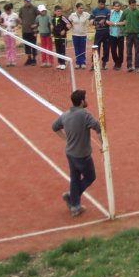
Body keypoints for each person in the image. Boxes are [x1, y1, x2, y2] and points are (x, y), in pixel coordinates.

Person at [52, 89, 103, 217]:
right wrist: (103, 145)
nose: (86, 101)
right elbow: (98, 128)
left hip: (70, 153)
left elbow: (55, 127)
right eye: (85, 98)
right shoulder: (85, 115)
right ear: (81, 102)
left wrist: (66, 139)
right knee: (90, 177)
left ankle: (75, 206)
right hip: (82, 155)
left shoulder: (65, 115)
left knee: (74, 178)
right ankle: (72, 197)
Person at [119, 0, 139, 72]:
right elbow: (120, 22)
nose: (134, 6)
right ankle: (129, 66)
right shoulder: (125, 12)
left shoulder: (138, 12)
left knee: (137, 51)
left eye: (135, 5)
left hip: (137, 35)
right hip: (128, 35)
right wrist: (124, 31)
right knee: (128, 51)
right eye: (132, 5)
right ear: (129, 4)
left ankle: (137, 67)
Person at [90, 0, 112, 71]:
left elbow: (109, 21)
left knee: (106, 48)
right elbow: (90, 22)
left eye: (103, 4)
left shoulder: (108, 11)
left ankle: (104, 63)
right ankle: (94, 63)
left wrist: (105, 21)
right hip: (98, 32)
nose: (102, 5)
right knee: (96, 48)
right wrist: (98, 22)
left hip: (106, 32)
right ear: (98, 3)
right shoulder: (94, 10)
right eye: (101, 4)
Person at [68, 2, 91, 70]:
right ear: (77, 8)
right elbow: (68, 21)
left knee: (82, 49)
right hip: (75, 34)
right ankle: (78, 62)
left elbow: (92, 16)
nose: (82, 9)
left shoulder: (86, 14)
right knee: (77, 49)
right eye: (80, 8)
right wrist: (69, 25)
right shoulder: (72, 15)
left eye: (82, 8)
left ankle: (83, 62)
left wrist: (91, 21)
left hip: (83, 34)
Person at [19, 0, 39, 66]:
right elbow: (20, 17)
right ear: (24, 1)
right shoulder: (21, 9)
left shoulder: (34, 8)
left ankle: (34, 58)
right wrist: (21, 22)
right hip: (25, 30)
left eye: (29, 1)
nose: (28, 2)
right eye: (27, 1)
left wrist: (36, 25)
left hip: (33, 30)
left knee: (33, 44)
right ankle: (29, 58)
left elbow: (39, 17)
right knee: (26, 45)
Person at [0, 2, 20, 67]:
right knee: (7, 46)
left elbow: (19, 22)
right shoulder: (3, 14)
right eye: (6, 10)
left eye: (8, 10)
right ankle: (8, 60)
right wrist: (3, 25)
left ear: (10, 9)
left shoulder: (15, 15)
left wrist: (15, 26)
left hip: (12, 33)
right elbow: (0, 21)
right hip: (5, 33)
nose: (7, 12)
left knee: (13, 46)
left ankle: (13, 60)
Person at [52, 5, 70, 70]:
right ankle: (60, 63)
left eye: (60, 11)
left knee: (62, 51)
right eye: (58, 11)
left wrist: (64, 30)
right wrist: (52, 34)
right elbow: (54, 28)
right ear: (55, 12)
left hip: (63, 38)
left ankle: (63, 63)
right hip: (56, 38)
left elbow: (69, 25)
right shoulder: (53, 19)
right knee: (58, 51)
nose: (59, 12)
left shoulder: (63, 18)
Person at [107, 1, 125, 70]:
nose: (117, 7)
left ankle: (119, 63)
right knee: (113, 50)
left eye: (118, 6)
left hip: (120, 34)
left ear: (120, 6)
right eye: (115, 6)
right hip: (112, 34)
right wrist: (108, 22)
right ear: (113, 6)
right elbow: (107, 21)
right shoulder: (110, 12)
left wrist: (114, 23)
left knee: (120, 50)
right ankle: (116, 61)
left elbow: (124, 22)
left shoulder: (122, 13)